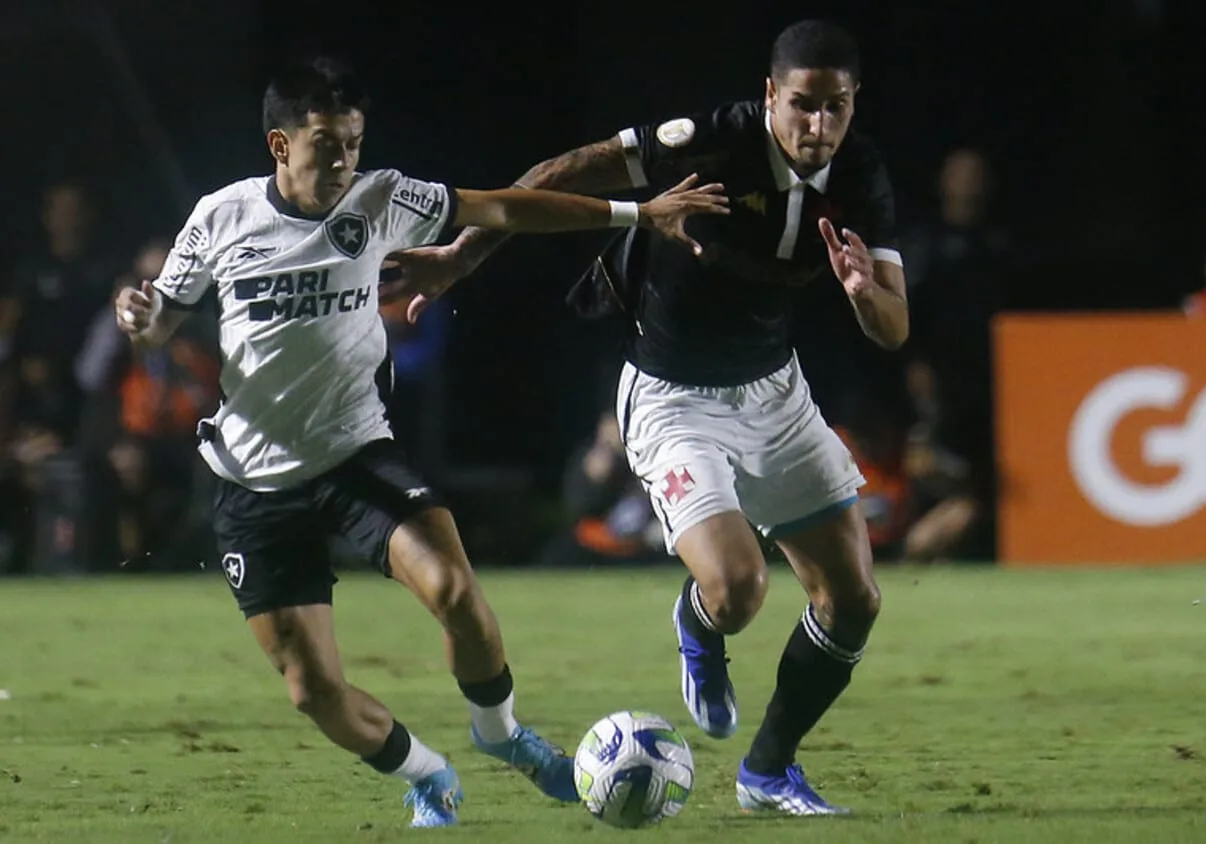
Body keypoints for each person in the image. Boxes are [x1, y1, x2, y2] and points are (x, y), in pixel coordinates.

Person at [113, 56, 727, 829]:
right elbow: (158, 324)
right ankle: (425, 772)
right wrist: (136, 318)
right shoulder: (221, 218)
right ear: (279, 146)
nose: (343, 160)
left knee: (456, 594)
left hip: (356, 453)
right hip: (253, 482)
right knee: (312, 691)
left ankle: (503, 736)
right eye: (325, 145)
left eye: (353, 142)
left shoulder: (379, 198)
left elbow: (504, 209)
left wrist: (634, 214)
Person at [392, 19, 907, 815]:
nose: (818, 126)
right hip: (673, 397)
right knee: (738, 588)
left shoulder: (862, 174)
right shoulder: (708, 141)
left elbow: (893, 327)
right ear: (770, 96)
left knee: (855, 599)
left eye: (836, 107)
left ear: (854, 103)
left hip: (776, 392)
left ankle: (768, 771)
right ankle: (699, 624)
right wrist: (460, 258)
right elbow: (555, 172)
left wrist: (861, 291)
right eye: (802, 105)